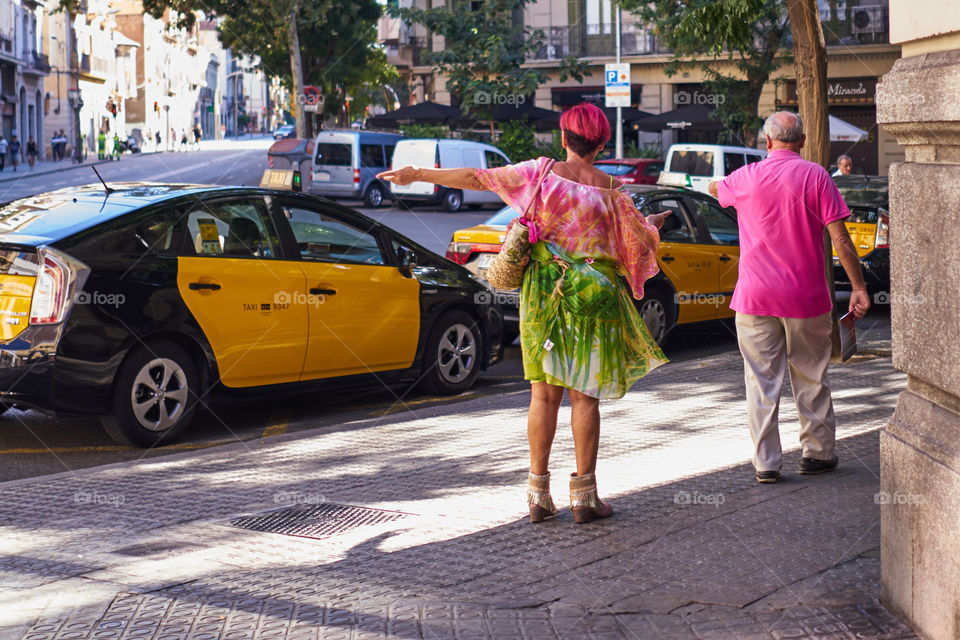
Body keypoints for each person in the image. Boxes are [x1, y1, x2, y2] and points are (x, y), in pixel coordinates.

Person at [379, 103, 671, 524]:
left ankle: (537, 495)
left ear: (563, 137)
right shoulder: (614, 191)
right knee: (584, 395)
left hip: (544, 295)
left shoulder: (539, 172)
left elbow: (475, 178)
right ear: (603, 143)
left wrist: (417, 174)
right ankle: (585, 497)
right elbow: (640, 243)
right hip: (595, 298)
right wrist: (654, 222)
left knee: (542, 394)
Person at [708, 111, 871, 485]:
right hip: (806, 296)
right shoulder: (816, 175)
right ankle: (816, 454)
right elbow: (841, 239)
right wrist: (859, 287)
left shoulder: (746, 177)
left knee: (761, 381)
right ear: (801, 141)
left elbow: (716, 190)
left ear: (767, 142)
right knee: (811, 374)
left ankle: (766, 463)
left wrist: (727, 188)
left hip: (754, 298)